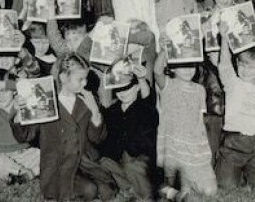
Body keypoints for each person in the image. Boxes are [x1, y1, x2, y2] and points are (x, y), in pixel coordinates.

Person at [39, 55, 113, 201]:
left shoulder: (88, 101)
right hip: (58, 166)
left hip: (84, 163)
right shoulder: (48, 102)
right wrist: (18, 113)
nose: (85, 83)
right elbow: (25, 135)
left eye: (85, 78)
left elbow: (96, 138)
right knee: (90, 190)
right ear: (63, 77)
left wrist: (95, 113)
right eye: (80, 79)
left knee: (107, 191)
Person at [215, 22, 255, 192]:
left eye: (251, 66)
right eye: (242, 64)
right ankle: (232, 170)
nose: (245, 69)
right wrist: (224, 38)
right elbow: (224, 65)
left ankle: (248, 173)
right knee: (226, 185)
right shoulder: (233, 83)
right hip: (233, 143)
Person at [153, 42, 217, 199]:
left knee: (210, 191)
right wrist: (165, 47)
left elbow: (200, 121)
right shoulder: (168, 85)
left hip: (194, 148)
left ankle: (186, 184)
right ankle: (174, 192)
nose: (188, 69)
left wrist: (203, 151)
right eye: (183, 65)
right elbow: (156, 70)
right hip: (174, 149)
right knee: (164, 184)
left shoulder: (200, 90)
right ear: (172, 68)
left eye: (191, 64)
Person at [98, 72, 158, 200]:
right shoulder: (113, 110)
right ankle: (129, 189)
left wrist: (141, 78)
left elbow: (148, 96)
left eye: (127, 88)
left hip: (141, 156)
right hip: (120, 157)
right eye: (119, 89)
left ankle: (145, 196)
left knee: (132, 167)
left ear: (137, 87)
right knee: (104, 162)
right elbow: (104, 106)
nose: (123, 92)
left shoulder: (144, 106)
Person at [0, 78, 40, 184]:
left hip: (26, 154)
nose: (1, 95)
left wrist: (5, 84)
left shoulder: (21, 106)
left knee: (47, 155)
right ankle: (21, 172)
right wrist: (2, 85)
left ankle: (30, 173)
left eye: (5, 91)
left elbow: (29, 87)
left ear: (14, 91)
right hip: (5, 157)